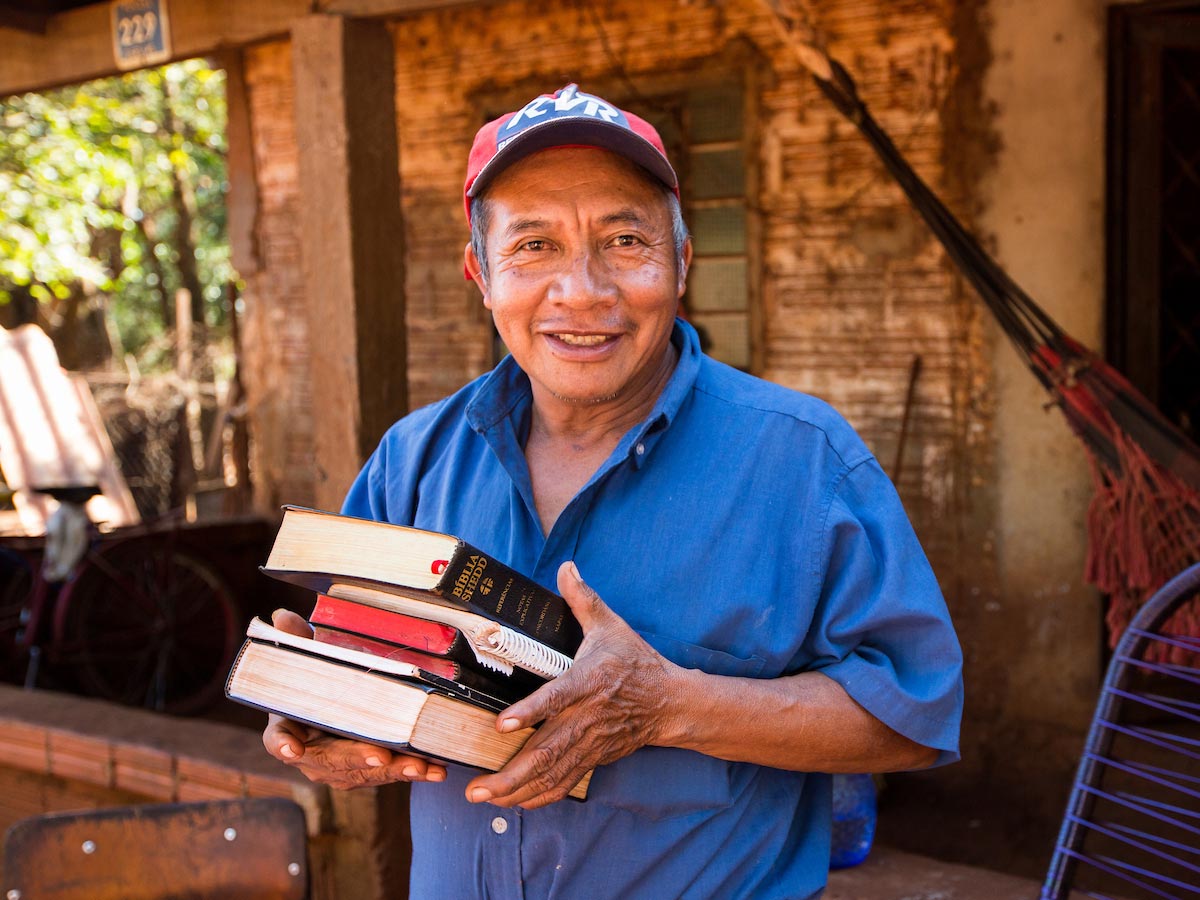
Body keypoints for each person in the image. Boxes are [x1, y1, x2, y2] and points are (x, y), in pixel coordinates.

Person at [264, 83, 963, 899]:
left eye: (625, 239)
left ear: (682, 262)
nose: (583, 291)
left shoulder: (802, 461)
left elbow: (910, 718)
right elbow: (355, 657)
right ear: (479, 274)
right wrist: (319, 710)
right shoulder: (414, 459)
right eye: (533, 247)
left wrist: (669, 705)